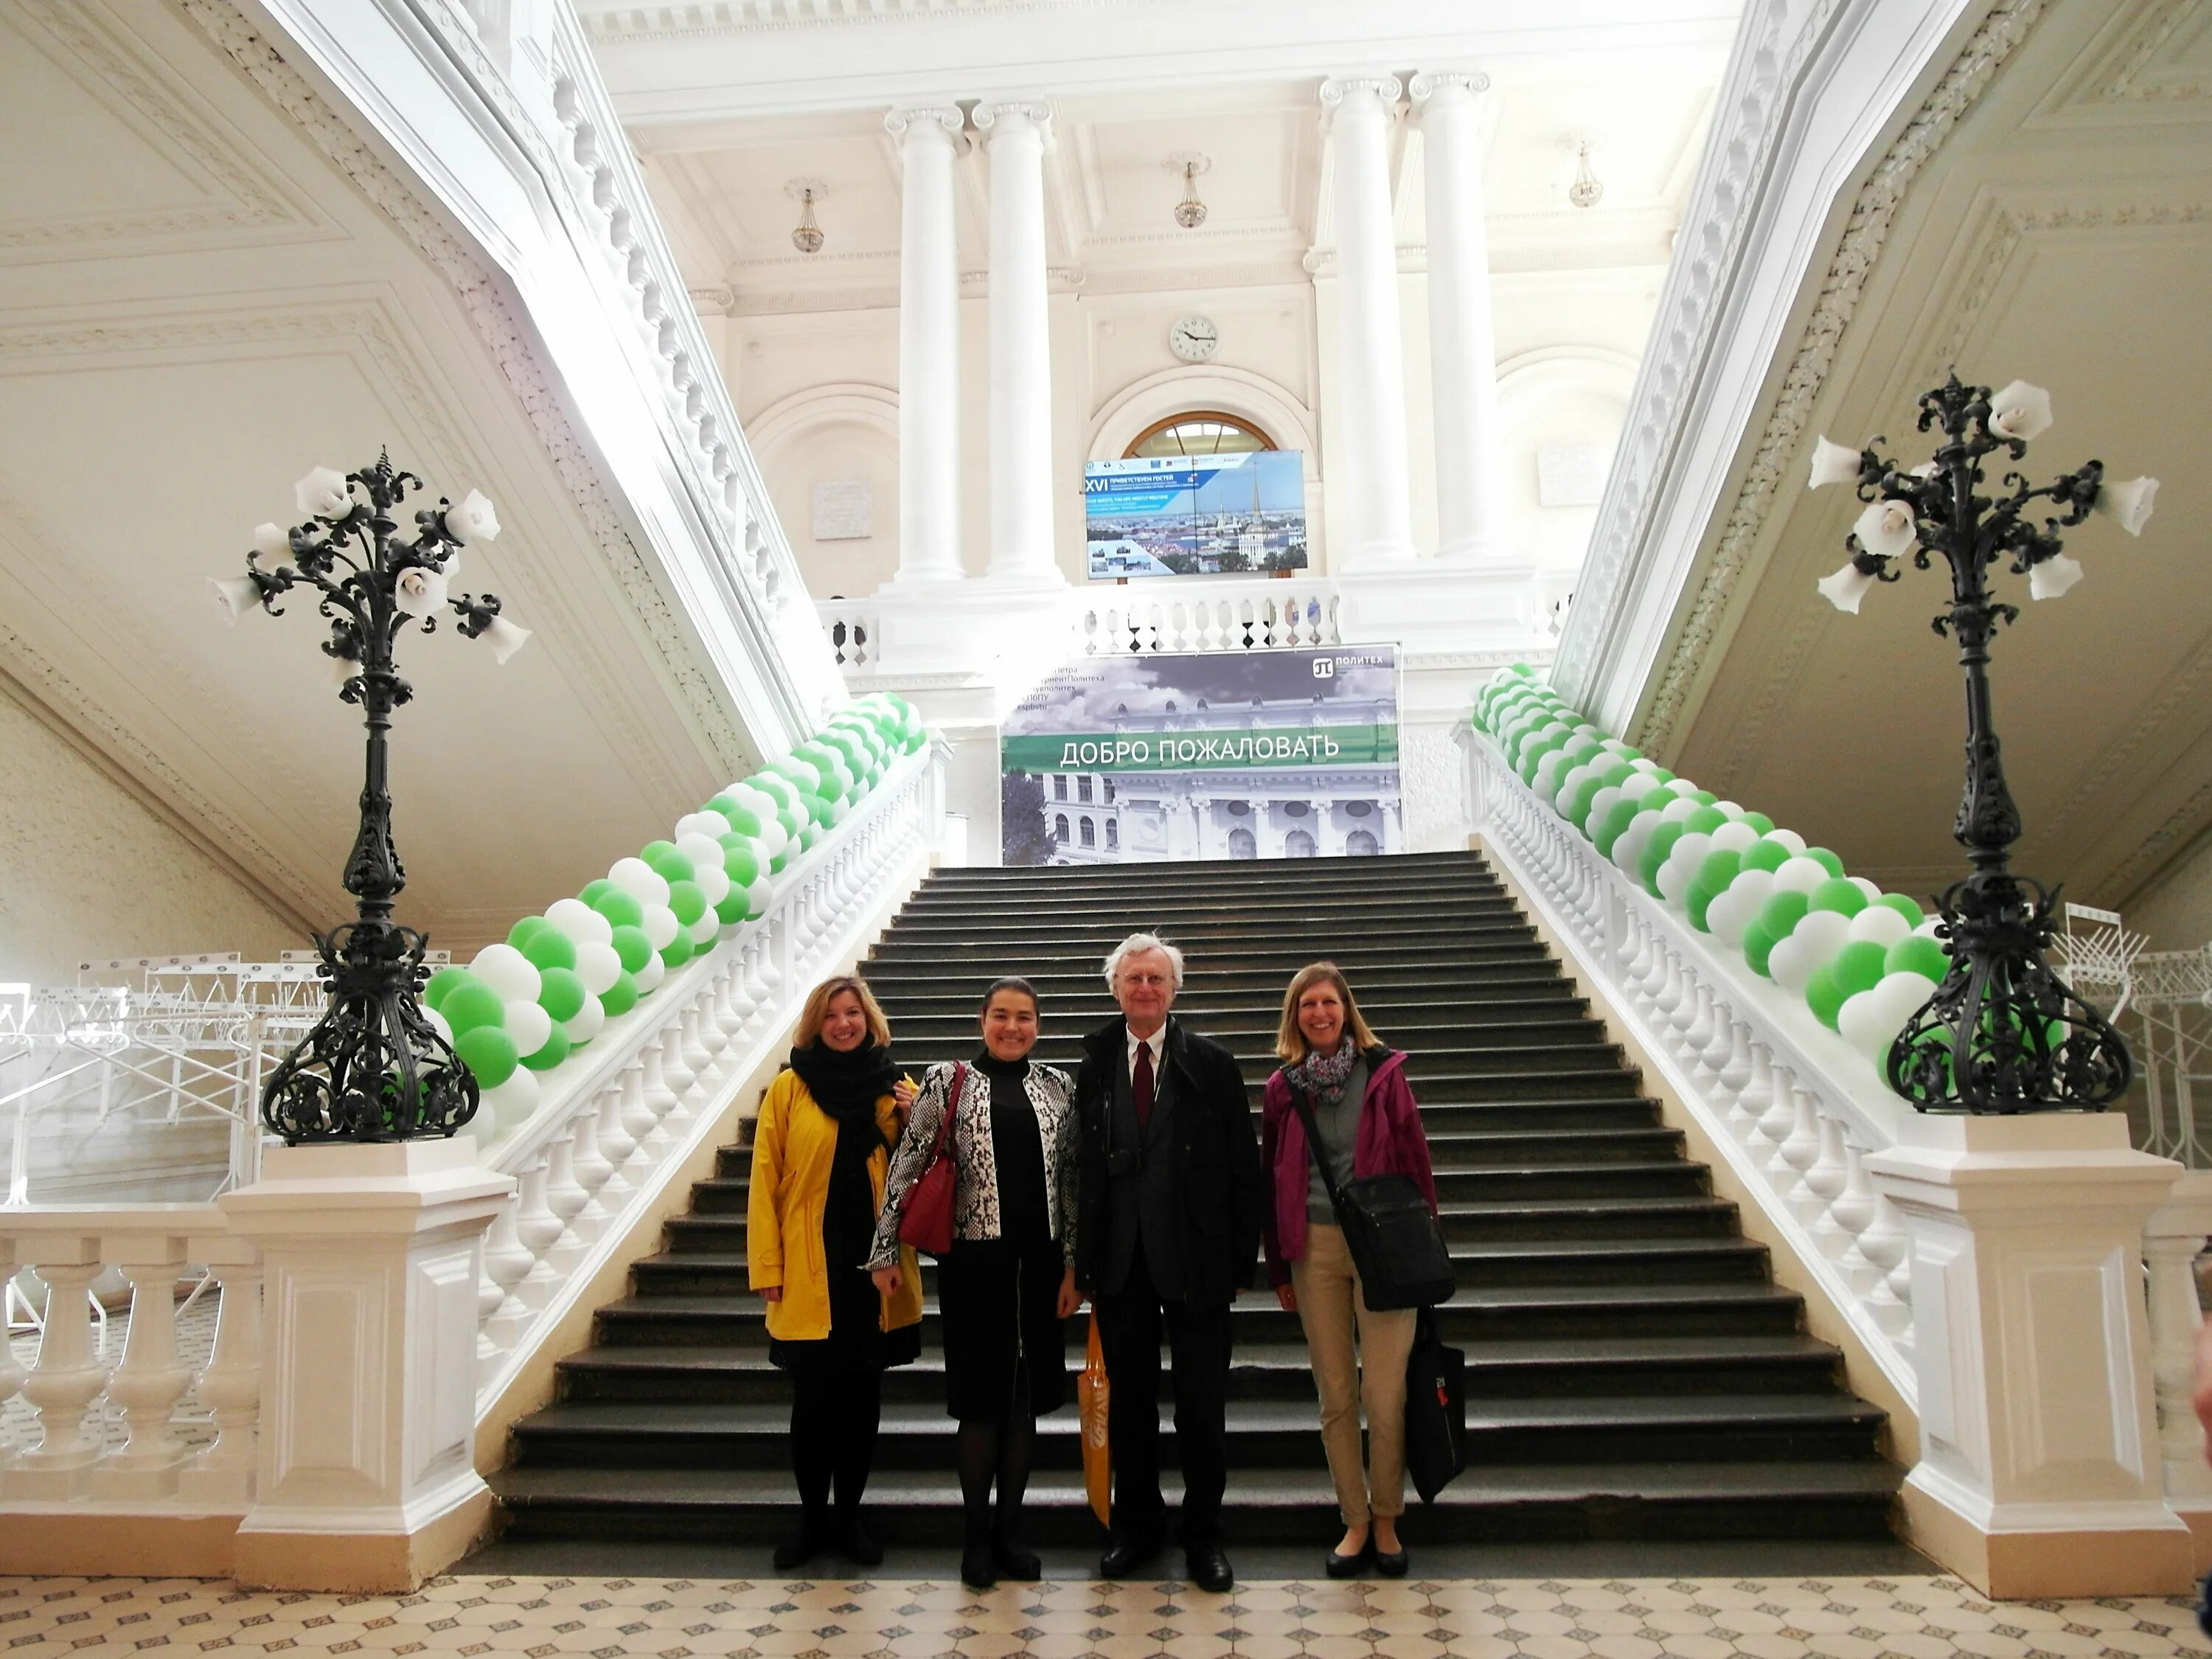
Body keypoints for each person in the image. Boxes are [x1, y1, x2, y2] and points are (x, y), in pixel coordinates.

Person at [869, 977, 1083, 1590]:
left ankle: (1011, 1532)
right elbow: (908, 1164)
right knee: (981, 1405)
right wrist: (884, 1247)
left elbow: (1071, 1183)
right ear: (982, 1020)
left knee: (1024, 1405)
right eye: (1001, 1016)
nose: (1012, 1027)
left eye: (1024, 1018)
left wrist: (1073, 1266)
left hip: (1040, 1267)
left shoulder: (1058, 1086)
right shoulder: (947, 1080)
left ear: (1038, 1025)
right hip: (973, 1265)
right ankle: (975, 1536)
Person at [1074, 931, 1264, 1594]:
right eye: (1134, 980)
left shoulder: (1212, 1064)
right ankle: (1138, 1527)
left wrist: (1243, 1260)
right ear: (1116, 989)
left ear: (1174, 989)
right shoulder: (1094, 1065)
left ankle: (1203, 1535)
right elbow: (1081, 1170)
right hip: (1122, 1264)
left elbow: (1245, 1167)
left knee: (1201, 1410)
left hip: (1198, 1265)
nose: (1146, 989)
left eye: (1157, 978)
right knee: (1130, 1410)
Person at [1261, 961, 1439, 1579]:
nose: (1319, 1013)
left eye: (1328, 1003)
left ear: (1346, 1009)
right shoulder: (1283, 1088)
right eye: (1307, 1003)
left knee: (1384, 1394)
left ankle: (1387, 1517)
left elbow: (1416, 1163)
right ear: (1296, 1015)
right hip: (1314, 1250)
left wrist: (1426, 1250)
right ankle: (1355, 1519)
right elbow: (1269, 1178)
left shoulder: (1384, 1074)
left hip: (1386, 1248)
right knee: (1336, 1395)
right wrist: (1278, 1262)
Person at [747, 975, 923, 1571]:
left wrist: (918, 1119)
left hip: (876, 1273)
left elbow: (924, 1182)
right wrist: (767, 1265)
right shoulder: (789, 1089)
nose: (844, 1024)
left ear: (869, 1020)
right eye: (832, 1016)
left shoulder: (898, 1089)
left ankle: (848, 1519)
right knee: (813, 1404)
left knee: (861, 1401)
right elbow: (765, 1182)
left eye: (853, 1013)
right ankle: (811, 1521)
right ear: (815, 1025)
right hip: (807, 1270)